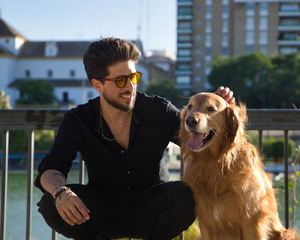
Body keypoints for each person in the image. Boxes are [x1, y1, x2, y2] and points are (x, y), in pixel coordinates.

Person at [34, 37, 235, 240]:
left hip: (152, 207)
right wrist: (61, 193)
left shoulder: (159, 110)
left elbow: (199, 141)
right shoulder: (78, 120)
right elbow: (52, 168)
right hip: (103, 209)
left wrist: (217, 111)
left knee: (187, 194)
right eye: (121, 80)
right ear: (98, 85)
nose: (130, 87)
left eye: (134, 77)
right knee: (49, 203)